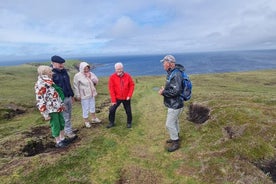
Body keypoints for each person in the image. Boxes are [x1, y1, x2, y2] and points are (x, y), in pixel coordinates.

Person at [35, 65, 69, 148]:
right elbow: (40, 99)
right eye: (50, 72)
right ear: (44, 73)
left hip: (57, 107)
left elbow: (56, 95)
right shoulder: (41, 84)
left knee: (61, 122)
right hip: (50, 109)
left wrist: (62, 105)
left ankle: (62, 138)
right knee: (55, 125)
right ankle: (58, 141)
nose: (52, 73)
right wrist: (45, 113)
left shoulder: (50, 82)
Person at [158, 55, 184, 152]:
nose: (163, 65)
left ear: (169, 64)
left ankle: (175, 142)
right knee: (175, 121)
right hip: (174, 103)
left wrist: (163, 92)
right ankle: (176, 136)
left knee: (169, 124)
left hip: (175, 104)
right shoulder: (172, 72)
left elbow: (176, 91)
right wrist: (166, 89)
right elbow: (174, 88)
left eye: (164, 63)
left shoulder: (176, 74)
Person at [51, 55, 77, 139]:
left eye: (62, 63)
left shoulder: (64, 71)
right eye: (59, 63)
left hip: (68, 96)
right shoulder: (51, 74)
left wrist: (72, 95)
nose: (61, 65)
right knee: (65, 116)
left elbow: (68, 84)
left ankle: (68, 129)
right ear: (53, 63)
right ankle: (68, 132)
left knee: (68, 114)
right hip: (60, 99)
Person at [106, 62, 135, 128]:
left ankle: (129, 123)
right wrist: (113, 100)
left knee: (128, 110)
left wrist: (129, 95)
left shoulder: (128, 76)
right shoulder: (112, 77)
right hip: (117, 98)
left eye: (119, 69)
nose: (118, 70)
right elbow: (111, 89)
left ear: (122, 68)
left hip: (126, 97)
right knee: (112, 110)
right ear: (115, 69)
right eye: (117, 69)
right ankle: (111, 122)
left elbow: (132, 85)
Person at [73, 62, 101, 128]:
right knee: (85, 108)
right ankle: (86, 121)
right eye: (84, 69)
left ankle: (94, 118)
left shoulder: (91, 74)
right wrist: (78, 95)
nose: (86, 70)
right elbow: (75, 86)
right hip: (84, 95)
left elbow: (96, 81)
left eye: (87, 68)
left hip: (91, 94)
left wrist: (90, 77)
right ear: (81, 68)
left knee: (92, 106)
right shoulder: (77, 76)